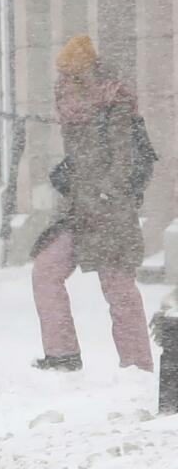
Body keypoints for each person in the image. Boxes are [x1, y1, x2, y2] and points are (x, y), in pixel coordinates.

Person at [30, 37, 157, 373]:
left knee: (118, 288)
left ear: (87, 73)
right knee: (46, 269)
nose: (64, 84)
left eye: (71, 76)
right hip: (77, 209)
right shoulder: (73, 110)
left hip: (109, 211)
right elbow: (84, 157)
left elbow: (122, 159)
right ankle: (62, 355)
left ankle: (137, 366)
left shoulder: (114, 104)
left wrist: (105, 193)